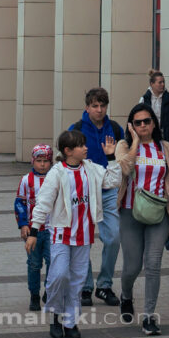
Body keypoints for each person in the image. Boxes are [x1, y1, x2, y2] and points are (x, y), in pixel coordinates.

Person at [26, 130, 120, 338]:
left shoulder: (91, 168)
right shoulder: (57, 173)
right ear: (68, 151)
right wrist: (33, 231)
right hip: (61, 234)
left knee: (77, 281)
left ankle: (70, 322)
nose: (86, 148)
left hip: (84, 236)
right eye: (81, 145)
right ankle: (55, 316)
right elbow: (43, 203)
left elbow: (113, 181)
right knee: (59, 275)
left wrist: (111, 157)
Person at [115, 103, 169, 335]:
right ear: (131, 126)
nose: (143, 125)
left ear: (154, 123)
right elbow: (125, 169)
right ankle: (126, 295)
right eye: (138, 122)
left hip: (158, 213)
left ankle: (149, 317)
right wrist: (135, 142)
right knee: (132, 267)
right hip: (130, 212)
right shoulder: (124, 146)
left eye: (147, 121)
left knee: (153, 265)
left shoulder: (165, 147)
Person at [68, 87, 122, 307]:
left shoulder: (115, 129)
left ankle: (105, 285)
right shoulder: (76, 129)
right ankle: (86, 286)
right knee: (83, 241)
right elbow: (67, 159)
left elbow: (124, 159)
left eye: (103, 106)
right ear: (87, 107)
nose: (99, 110)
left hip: (109, 191)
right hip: (84, 192)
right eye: (95, 106)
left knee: (114, 237)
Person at [15, 144, 53, 312]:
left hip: (52, 230)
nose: (42, 164)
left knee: (53, 262)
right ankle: (34, 295)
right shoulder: (26, 180)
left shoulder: (55, 178)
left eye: (46, 161)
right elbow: (20, 203)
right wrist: (23, 224)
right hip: (33, 232)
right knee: (34, 264)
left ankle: (50, 290)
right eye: (39, 161)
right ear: (33, 161)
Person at [141, 69, 169, 146]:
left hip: (167, 138)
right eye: (160, 82)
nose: (163, 84)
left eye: (163, 82)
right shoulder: (144, 99)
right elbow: (140, 117)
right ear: (152, 84)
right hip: (150, 138)